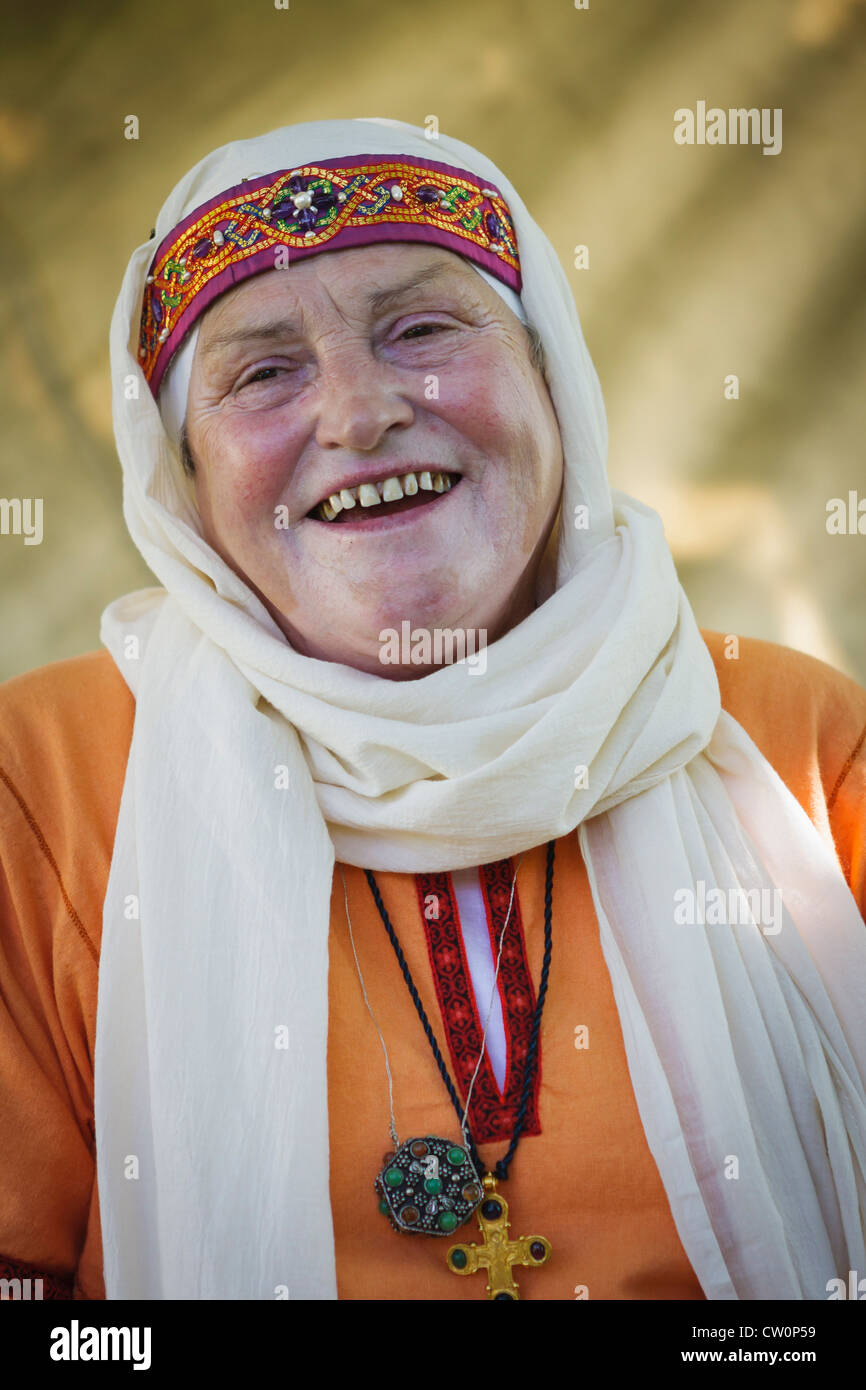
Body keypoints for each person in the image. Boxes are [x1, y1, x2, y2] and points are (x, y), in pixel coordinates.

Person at [1, 117, 865, 1303]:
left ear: (553, 381)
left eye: (421, 329)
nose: (358, 415)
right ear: (181, 483)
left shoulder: (789, 735)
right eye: (261, 371)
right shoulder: (35, 781)